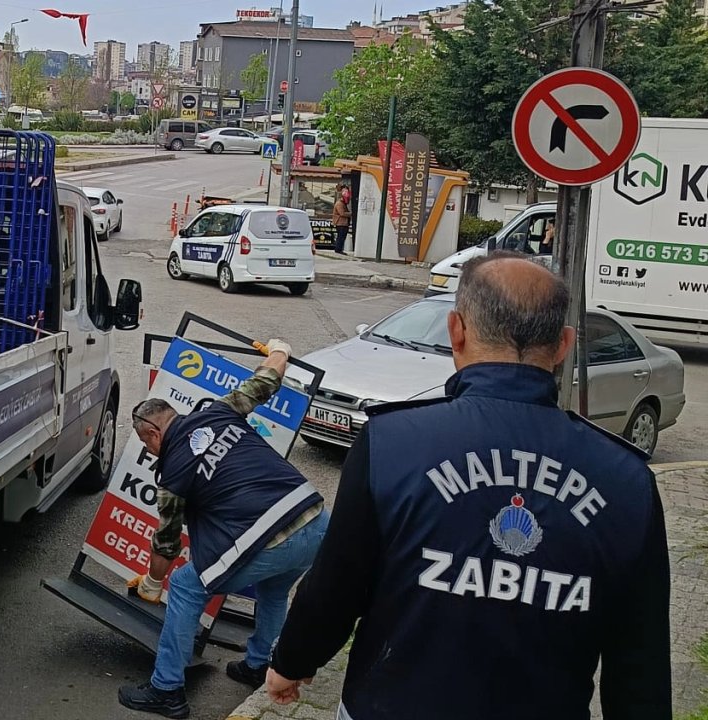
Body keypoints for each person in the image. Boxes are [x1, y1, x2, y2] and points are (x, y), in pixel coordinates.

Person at [266, 253, 671, 720]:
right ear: (563, 345)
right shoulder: (626, 481)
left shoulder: (393, 443)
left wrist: (292, 662)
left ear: (455, 330)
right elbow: (640, 662)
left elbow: (337, 585)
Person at [118, 340, 330, 719]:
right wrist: (280, 350)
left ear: (151, 433)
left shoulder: (172, 474)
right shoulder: (220, 410)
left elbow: (166, 544)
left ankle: (166, 689)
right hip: (315, 519)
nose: (148, 451)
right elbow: (267, 379)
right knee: (274, 588)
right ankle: (258, 664)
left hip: (272, 535)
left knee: (185, 586)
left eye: (144, 443)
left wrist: (152, 583)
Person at [332, 187, 351, 255]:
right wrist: (351, 214)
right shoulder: (339, 204)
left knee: (342, 237)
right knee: (341, 237)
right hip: (341, 223)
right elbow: (342, 213)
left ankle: (339, 249)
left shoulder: (342, 203)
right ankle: (338, 249)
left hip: (343, 223)